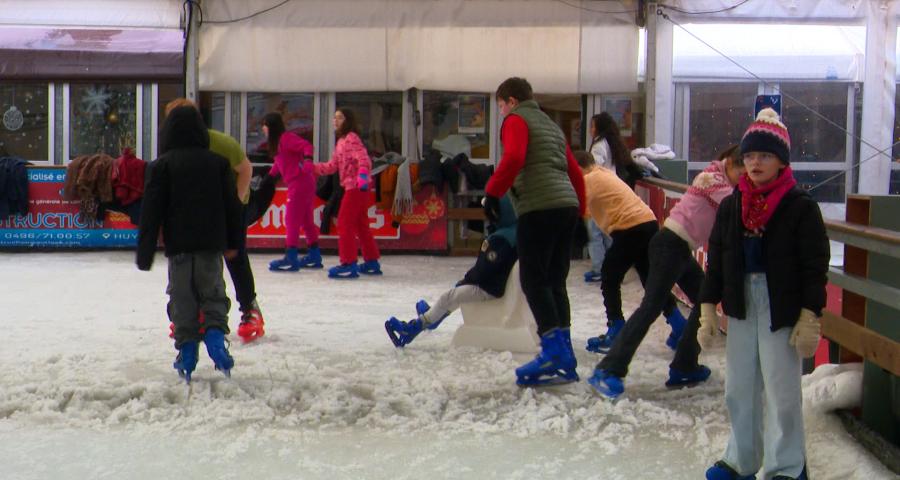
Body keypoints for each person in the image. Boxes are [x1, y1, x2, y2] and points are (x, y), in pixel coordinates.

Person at [699, 108, 828, 480]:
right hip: (741, 302)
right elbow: (718, 259)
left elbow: (814, 263)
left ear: (782, 161)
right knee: (739, 388)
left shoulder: (800, 206)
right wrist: (707, 308)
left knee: (781, 389)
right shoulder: (732, 205)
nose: (755, 163)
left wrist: (810, 313)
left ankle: (787, 466)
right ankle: (741, 460)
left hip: (780, 304)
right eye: (750, 156)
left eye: (765, 156)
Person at [588, 145, 745, 400]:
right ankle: (609, 369)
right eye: (743, 173)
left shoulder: (720, 178)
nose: (744, 180)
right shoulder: (713, 180)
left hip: (679, 248)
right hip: (669, 245)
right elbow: (737, 209)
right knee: (651, 307)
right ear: (730, 163)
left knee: (705, 300)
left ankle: (685, 365)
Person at [483, 77, 586, 387]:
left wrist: (492, 192)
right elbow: (575, 172)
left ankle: (553, 352)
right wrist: (580, 213)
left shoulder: (517, 120)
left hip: (539, 206)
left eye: (501, 105)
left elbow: (514, 157)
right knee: (555, 281)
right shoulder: (551, 125)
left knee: (533, 279)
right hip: (566, 206)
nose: (501, 112)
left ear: (512, 101)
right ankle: (565, 353)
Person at [136, 106, 243, 383]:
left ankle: (186, 351)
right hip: (210, 245)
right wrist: (235, 243)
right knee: (213, 292)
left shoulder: (160, 166)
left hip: (179, 247)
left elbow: (151, 212)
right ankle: (216, 339)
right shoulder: (218, 163)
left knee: (182, 297)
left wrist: (145, 252)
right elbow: (233, 207)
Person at [164, 98, 265, 344]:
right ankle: (191, 311)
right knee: (192, 259)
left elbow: (245, 169)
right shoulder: (172, 146)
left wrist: (235, 205)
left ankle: (250, 308)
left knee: (234, 255)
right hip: (198, 208)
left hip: (229, 203)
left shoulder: (220, 142)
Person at [572, 150, 686, 355]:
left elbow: (579, 209)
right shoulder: (603, 173)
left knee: (609, 276)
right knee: (651, 282)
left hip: (630, 228)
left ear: (579, 168)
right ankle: (680, 326)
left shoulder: (590, 180)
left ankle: (616, 328)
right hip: (646, 223)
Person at [385, 195, 517, 347]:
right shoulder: (511, 232)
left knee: (450, 297)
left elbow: (484, 270)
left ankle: (413, 328)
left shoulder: (501, 239)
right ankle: (434, 316)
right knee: (456, 294)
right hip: (495, 284)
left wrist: (467, 279)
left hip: (490, 288)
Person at [313, 108, 381, 278]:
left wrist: (362, 176)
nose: (335, 121)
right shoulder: (341, 142)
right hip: (354, 187)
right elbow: (332, 166)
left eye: (340, 118)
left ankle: (349, 263)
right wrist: (312, 168)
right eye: (334, 118)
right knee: (360, 224)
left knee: (344, 223)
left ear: (348, 120)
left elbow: (364, 159)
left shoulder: (352, 138)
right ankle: (371, 261)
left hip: (357, 187)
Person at [261, 113, 322, 271]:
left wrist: (308, 160)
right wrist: (269, 177)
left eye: (265, 125)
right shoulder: (278, 143)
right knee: (306, 220)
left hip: (299, 183)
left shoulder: (286, 138)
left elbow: (307, 146)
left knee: (291, 220)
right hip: (303, 182)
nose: (263, 128)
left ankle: (291, 256)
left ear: (272, 126)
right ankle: (314, 254)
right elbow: (281, 162)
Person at [588, 112, 644, 189]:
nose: (590, 130)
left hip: (603, 185)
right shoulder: (613, 143)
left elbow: (594, 168)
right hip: (615, 184)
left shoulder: (598, 146)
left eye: (592, 126)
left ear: (599, 128)